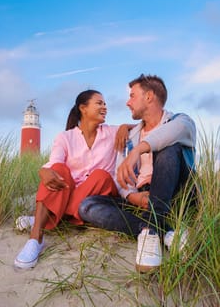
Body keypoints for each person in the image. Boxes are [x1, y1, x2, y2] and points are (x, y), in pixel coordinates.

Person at [78, 74, 196, 273]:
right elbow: (119, 176)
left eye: (132, 96)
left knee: (167, 148)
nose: (127, 102)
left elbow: (167, 135)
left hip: (176, 194)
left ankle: (150, 231)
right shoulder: (129, 135)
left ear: (149, 96)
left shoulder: (181, 121)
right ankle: (167, 231)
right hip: (143, 198)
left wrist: (137, 150)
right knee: (87, 205)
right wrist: (132, 196)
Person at [14, 89, 131, 269]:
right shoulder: (65, 137)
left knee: (100, 175)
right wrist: (43, 171)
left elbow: (144, 126)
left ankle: (47, 218)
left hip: (100, 192)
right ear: (83, 108)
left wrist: (124, 126)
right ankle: (36, 238)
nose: (105, 107)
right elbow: (55, 162)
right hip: (73, 194)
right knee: (58, 169)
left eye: (105, 103)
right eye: (99, 103)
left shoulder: (111, 132)